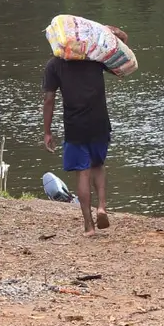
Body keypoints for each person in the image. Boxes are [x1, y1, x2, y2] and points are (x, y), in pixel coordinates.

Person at [43, 26, 127, 237]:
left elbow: (49, 100)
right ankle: (102, 206)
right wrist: (114, 33)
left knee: (83, 171)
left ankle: (89, 226)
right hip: (99, 121)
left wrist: (47, 131)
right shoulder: (95, 59)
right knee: (98, 165)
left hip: (75, 125)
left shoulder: (54, 65)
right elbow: (122, 59)